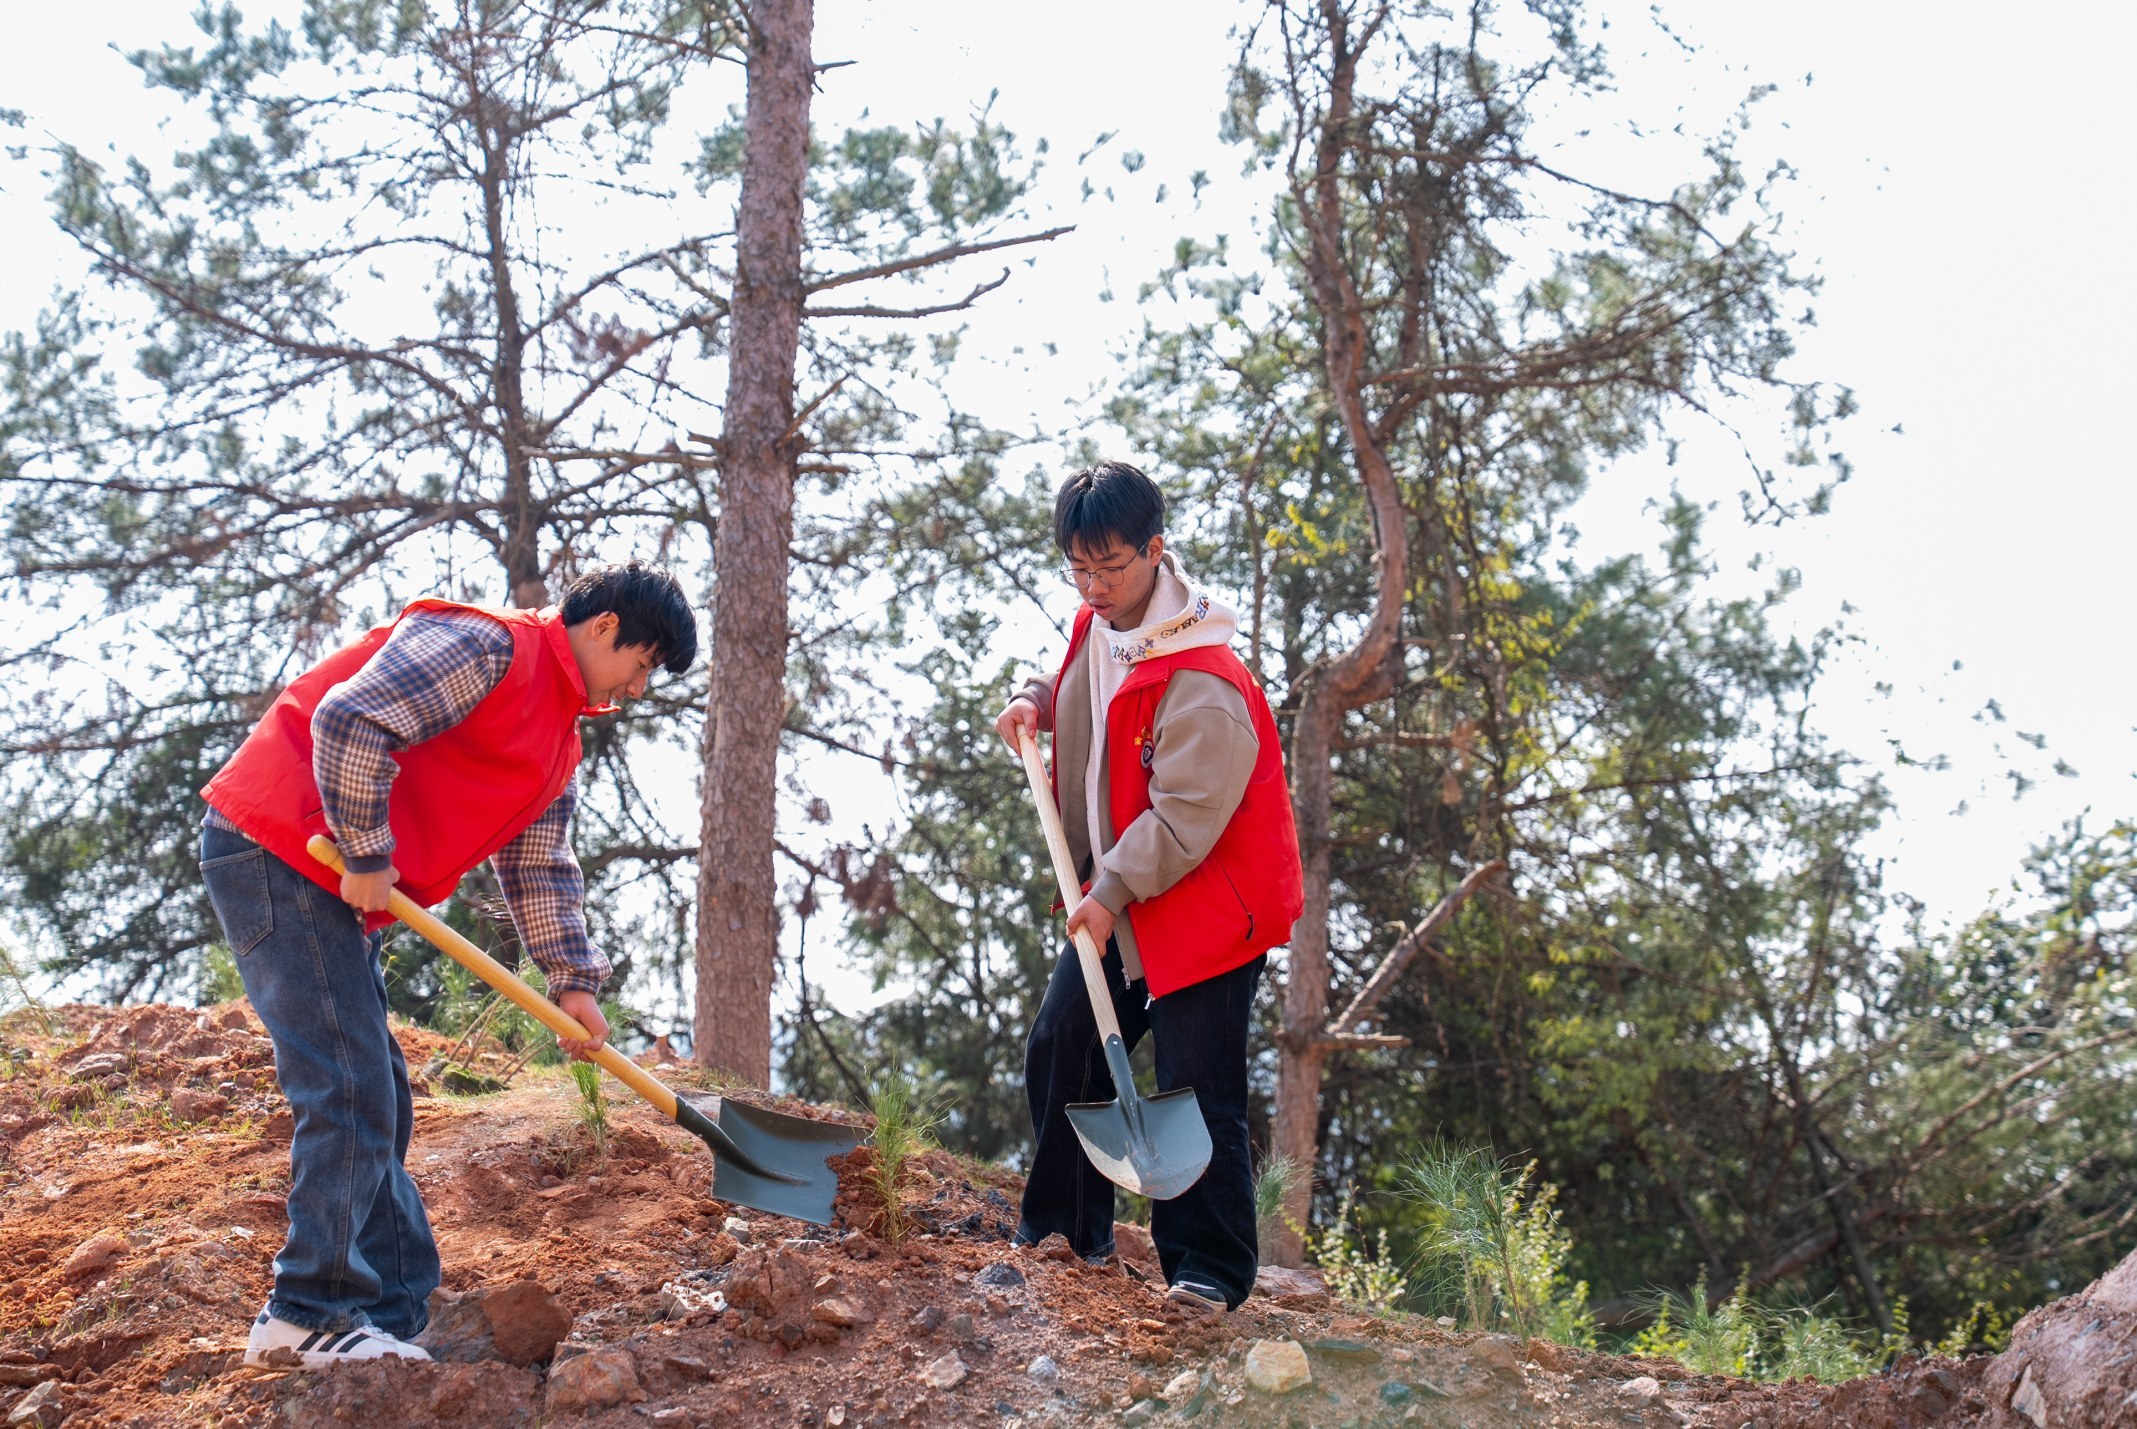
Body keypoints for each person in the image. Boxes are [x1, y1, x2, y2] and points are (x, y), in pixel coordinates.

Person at [196, 561, 697, 1368]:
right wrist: (365, 847)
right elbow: (351, 717)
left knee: (381, 1092)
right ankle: (305, 1314)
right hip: (281, 847)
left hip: (334, 882)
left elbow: (539, 868)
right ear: (605, 627)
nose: (638, 688)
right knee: (348, 1082)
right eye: (641, 665)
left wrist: (572, 978)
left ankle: (390, 1314)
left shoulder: (557, 742)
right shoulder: (487, 647)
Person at [996, 461, 1303, 1313]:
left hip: (1207, 905)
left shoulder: (1204, 679)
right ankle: (1064, 1232)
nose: (1094, 587)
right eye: (1078, 568)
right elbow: (1076, 689)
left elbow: (1183, 822)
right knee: (1064, 1043)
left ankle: (1208, 1270)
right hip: (1126, 896)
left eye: (1112, 567)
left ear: (1155, 551)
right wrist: (1031, 699)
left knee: (1197, 1086)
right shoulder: (1102, 625)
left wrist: (1108, 889)